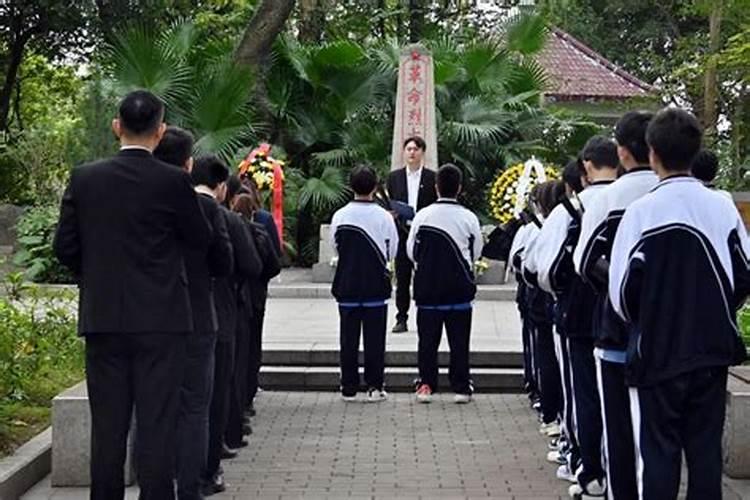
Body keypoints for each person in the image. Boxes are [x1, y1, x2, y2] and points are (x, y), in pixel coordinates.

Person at [53, 90, 211, 500]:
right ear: (160, 132)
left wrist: (100, 276)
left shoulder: (85, 177)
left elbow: (64, 247)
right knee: (157, 425)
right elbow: (199, 240)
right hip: (163, 322)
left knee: (107, 428)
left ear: (116, 126)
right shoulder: (175, 180)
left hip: (104, 318)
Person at [610, 108, 750, 500]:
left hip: (657, 351)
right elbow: (744, 274)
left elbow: (621, 295)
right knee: (705, 454)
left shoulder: (642, 212)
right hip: (711, 351)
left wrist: (652, 317)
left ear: (651, 152)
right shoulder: (722, 207)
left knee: (659, 454)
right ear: (695, 151)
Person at [572, 111, 656, 500]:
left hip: (618, 333)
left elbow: (584, 262)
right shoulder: (685, 195)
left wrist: (622, 294)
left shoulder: (608, 200)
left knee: (618, 429)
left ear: (623, 152)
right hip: (676, 337)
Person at [533, 136, 618, 498]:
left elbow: (544, 269)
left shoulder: (569, 210)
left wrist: (560, 295)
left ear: (586, 166)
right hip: (626, 315)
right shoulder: (640, 200)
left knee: (581, 392)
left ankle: (588, 468)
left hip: (578, 312)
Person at [154, 129, 234, 500]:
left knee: (154, 405)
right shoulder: (207, 208)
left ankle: (155, 485)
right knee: (194, 409)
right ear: (188, 164)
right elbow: (223, 262)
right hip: (199, 318)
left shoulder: (141, 199)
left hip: (150, 318)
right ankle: (190, 487)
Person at [201, 158, 263, 496]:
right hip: (221, 314)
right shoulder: (226, 218)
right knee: (212, 395)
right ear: (222, 187)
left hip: (165, 318)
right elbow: (250, 265)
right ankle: (207, 471)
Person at [407, 163, 482, 404]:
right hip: (459, 291)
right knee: (459, 342)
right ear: (459, 188)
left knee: (427, 341)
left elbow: (411, 252)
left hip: (428, 290)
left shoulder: (423, 216)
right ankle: (461, 387)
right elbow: (476, 252)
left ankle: (426, 384)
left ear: (436, 187)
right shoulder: (469, 218)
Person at [329, 165, 399, 402]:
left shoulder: (340, 215)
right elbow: (392, 251)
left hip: (347, 284)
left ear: (351, 186)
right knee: (374, 339)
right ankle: (375, 386)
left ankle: (348, 387)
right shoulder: (384, 217)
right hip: (375, 286)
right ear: (376, 187)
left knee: (347, 339)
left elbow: (335, 246)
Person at [387, 136, 437, 333]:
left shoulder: (432, 177)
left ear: (422, 152)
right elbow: (390, 201)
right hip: (402, 232)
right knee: (402, 278)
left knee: (425, 277)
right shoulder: (394, 177)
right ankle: (401, 317)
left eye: (415, 149)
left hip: (424, 233)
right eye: (408, 149)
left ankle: (426, 316)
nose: (412, 152)